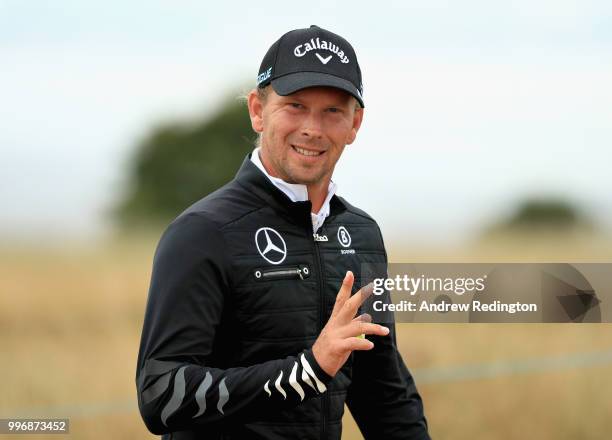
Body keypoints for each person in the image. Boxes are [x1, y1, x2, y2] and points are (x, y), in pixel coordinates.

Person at [136, 25, 430, 440]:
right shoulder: (201, 233)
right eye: (295, 106)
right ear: (258, 109)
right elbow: (161, 396)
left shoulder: (362, 235)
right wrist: (308, 370)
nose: (313, 128)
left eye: (333, 111)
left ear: (355, 123)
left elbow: (381, 391)